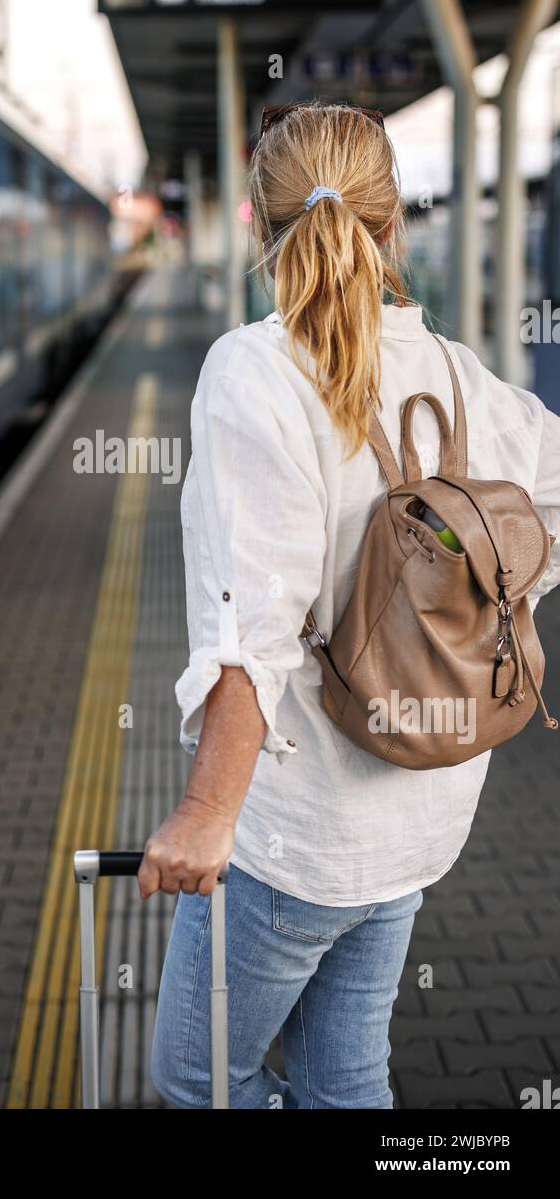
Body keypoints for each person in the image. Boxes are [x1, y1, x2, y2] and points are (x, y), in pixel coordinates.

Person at [141, 101, 560, 1110]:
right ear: (393, 226)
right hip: (424, 809)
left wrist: (205, 814)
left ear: (254, 223)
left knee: (196, 1077)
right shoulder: (458, 377)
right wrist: (488, 596)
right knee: (343, 1075)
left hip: (297, 832)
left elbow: (253, 622)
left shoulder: (254, 370)